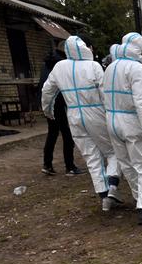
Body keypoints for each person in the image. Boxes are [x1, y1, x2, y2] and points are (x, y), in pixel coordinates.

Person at [41, 35, 121, 211]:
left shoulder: (59, 67)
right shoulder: (93, 66)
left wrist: (48, 111)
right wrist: (112, 113)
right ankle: (113, 185)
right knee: (112, 150)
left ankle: (103, 195)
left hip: (74, 115)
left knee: (91, 156)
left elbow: (47, 91)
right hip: (96, 112)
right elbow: (104, 92)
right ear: (86, 47)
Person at [103, 32, 142, 225]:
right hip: (131, 123)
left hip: (112, 121)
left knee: (127, 164)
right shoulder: (137, 69)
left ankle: (140, 200)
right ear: (139, 50)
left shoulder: (111, 67)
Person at [39, 40, 80, 176]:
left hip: (47, 103)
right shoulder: (62, 64)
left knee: (52, 133)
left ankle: (47, 164)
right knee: (67, 135)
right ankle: (70, 166)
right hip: (60, 103)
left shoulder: (47, 62)